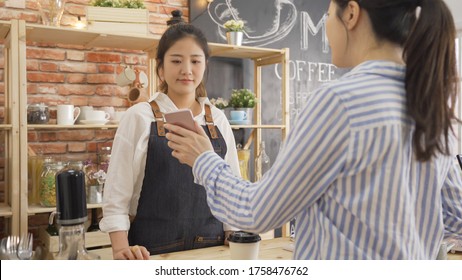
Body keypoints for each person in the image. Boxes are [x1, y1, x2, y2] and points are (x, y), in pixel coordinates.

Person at [165, 0, 462, 259]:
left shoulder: (340, 102)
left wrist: (203, 158)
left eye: (330, 14)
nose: (327, 28)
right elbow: (455, 217)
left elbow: (256, 212)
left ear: (351, 14)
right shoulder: (437, 109)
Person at [99, 23, 241, 260]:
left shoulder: (217, 119)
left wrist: (233, 233)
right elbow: (116, 194)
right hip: (149, 253)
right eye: (176, 61)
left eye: (195, 61)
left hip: (212, 250)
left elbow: (231, 184)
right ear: (161, 70)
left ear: (204, 67)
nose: (186, 69)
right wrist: (121, 249)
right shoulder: (139, 116)